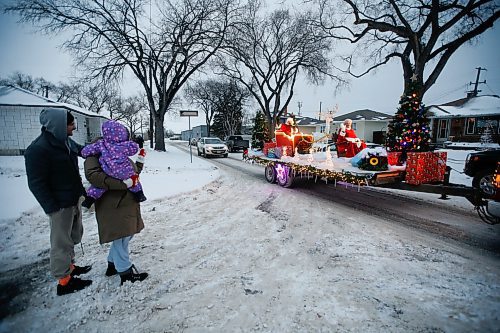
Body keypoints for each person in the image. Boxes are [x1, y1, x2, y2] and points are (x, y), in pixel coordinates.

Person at [24, 108, 92, 296]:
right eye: (70, 124)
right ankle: (64, 282)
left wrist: (105, 147)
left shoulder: (65, 142)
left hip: (72, 198)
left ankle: (70, 267)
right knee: (61, 243)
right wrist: (51, 207)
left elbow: (83, 151)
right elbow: (36, 183)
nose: (73, 128)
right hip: (59, 205)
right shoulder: (38, 149)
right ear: (59, 125)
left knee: (72, 236)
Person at [84, 143, 149, 285]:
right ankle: (125, 273)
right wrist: (125, 184)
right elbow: (95, 177)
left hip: (126, 203)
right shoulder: (95, 155)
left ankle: (112, 264)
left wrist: (140, 161)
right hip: (113, 204)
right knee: (121, 237)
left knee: (126, 235)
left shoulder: (117, 151)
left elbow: (131, 174)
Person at [80, 120, 147, 208]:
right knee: (134, 180)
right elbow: (134, 148)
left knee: (98, 188)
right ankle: (139, 194)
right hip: (124, 171)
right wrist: (137, 147)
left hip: (108, 170)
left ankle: (90, 199)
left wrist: (83, 152)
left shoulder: (101, 144)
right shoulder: (125, 146)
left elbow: (86, 151)